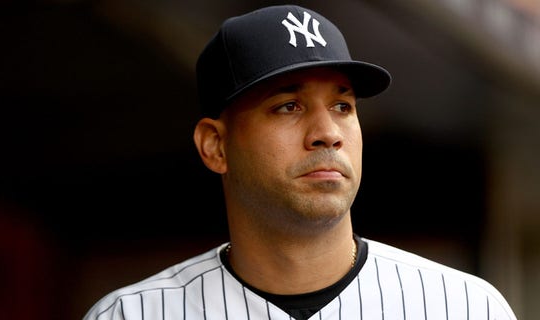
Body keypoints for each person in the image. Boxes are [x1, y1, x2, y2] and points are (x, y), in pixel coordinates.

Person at [83, 4, 518, 320]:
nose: (327, 132)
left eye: (342, 106)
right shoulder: (133, 314)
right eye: (288, 106)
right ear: (215, 145)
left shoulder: (462, 306)